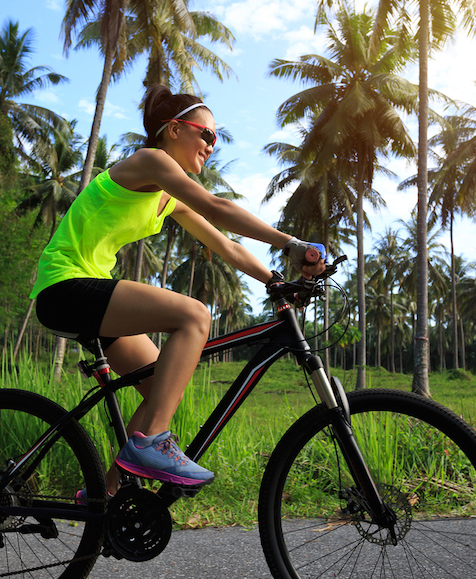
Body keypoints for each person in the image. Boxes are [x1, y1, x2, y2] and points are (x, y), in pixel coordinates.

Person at [32, 85, 325, 493]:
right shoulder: (149, 161)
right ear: (173, 129)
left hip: (92, 293)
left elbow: (226, 246)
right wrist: (292, 244)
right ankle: (151, 443)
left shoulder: (168, 196)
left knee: (159, 388)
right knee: (194, 314)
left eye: (216, 138)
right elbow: (218, 207)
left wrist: (275, 281)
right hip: (65, 288)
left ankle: (105, 499)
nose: (212, 145)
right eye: (206, 134)